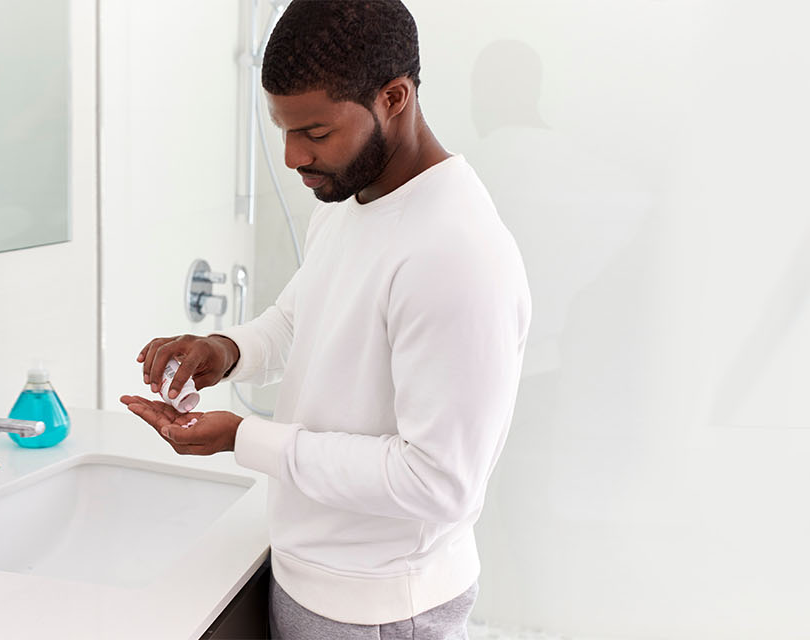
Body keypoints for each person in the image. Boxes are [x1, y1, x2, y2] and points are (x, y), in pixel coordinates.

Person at [118, 1, 532, 638]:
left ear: (393, 97)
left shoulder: (454, 251)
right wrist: (225, 349)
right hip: (317, 582)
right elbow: (298, 319)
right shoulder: (348, 202)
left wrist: (242, 437)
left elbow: (438, 481)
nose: (291, 157)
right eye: (283, 128)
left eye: (314, 133)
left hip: (384, 610)